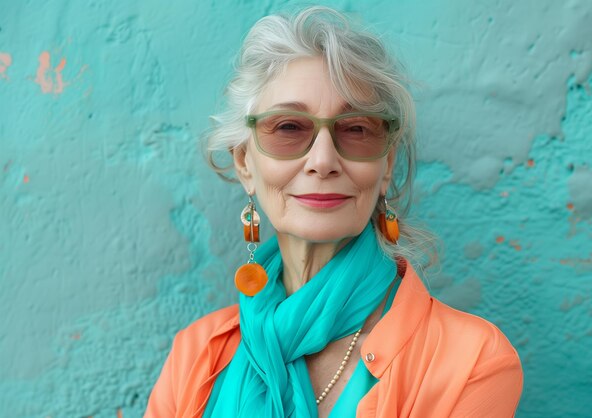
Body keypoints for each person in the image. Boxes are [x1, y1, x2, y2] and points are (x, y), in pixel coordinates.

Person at [145, 6, 523, 418]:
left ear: (387, 166)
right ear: (244, 163)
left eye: (356, 129)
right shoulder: (196, 354)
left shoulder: (471, 361)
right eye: (288, 127)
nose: (323, 160)